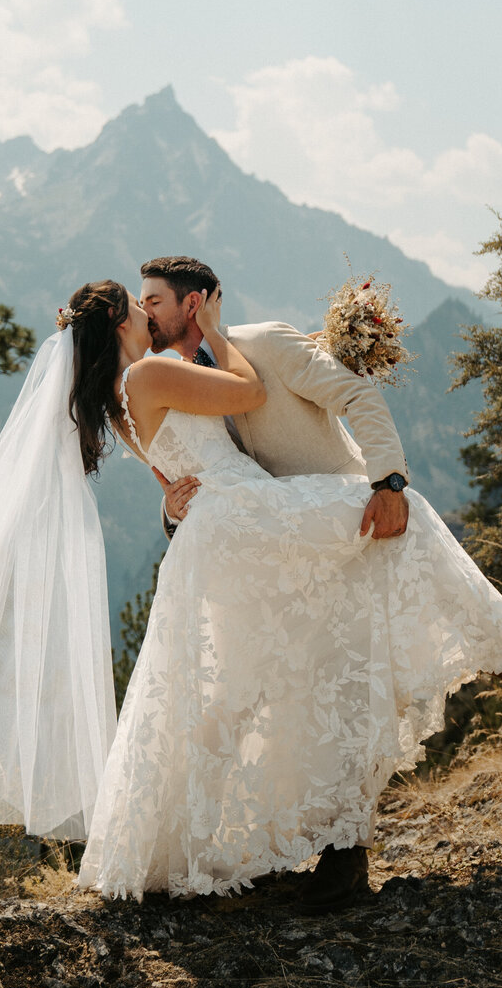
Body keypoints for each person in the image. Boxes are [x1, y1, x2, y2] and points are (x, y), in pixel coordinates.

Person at [0, 277, 502, 907]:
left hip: (219, 532)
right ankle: (499, 641)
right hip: (243, 520)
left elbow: (174, 479)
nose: (149, 314)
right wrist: (212, 339)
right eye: (138, 305)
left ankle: (236, 840)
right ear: (121, 325)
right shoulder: (148, 374)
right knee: (400, 513)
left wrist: (175, 506)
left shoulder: (118, 404)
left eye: (155, 300)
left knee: (245, 691)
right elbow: (251, 395)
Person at [136, 254, 414, 905]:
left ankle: (347, 859)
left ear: (195, 302)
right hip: (257, 558)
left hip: (337, 535)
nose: (146, 311)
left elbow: (358, 395)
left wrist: (389, 482)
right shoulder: (175, 377)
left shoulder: (264, 343)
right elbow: (194, 467)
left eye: (154, 300)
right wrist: (172, 507)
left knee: (338, 689)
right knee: (266, 700)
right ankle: (267, 844)